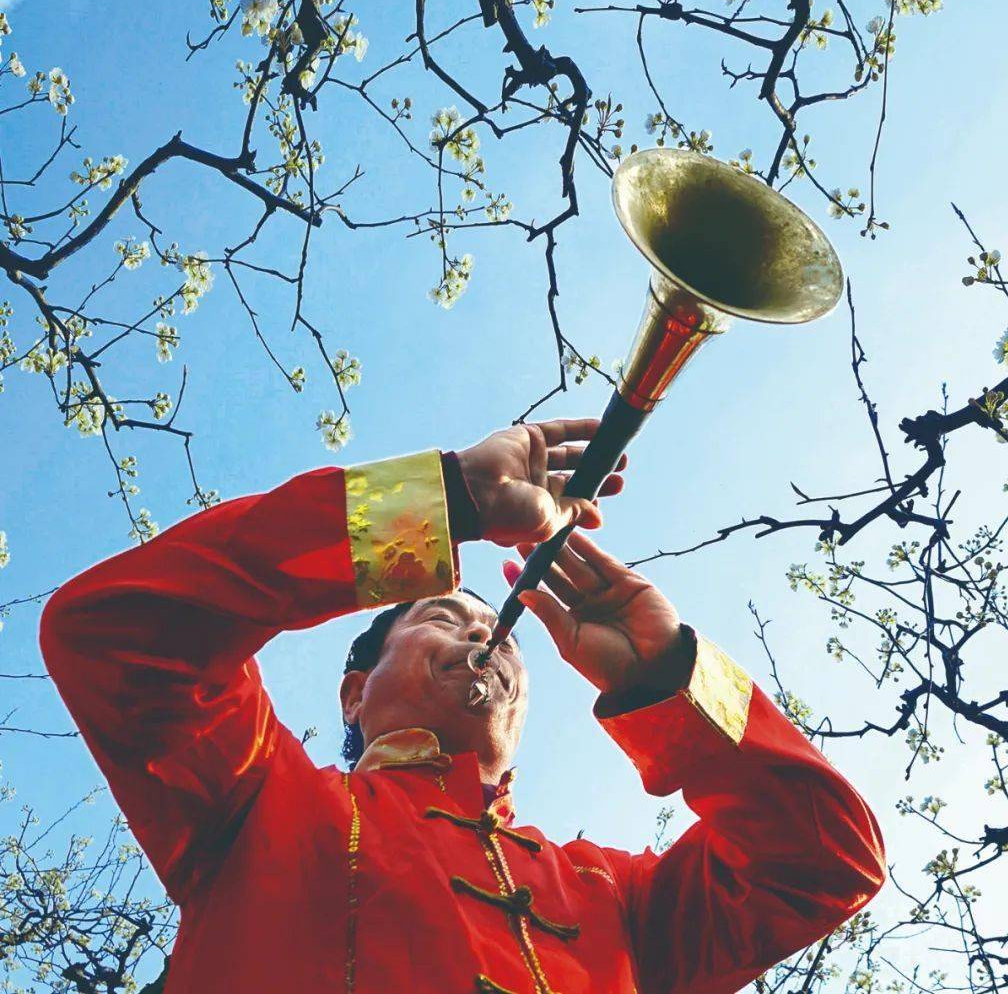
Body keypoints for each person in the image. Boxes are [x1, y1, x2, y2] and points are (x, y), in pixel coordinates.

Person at [41, 417, 886, 994]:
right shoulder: (258, 797)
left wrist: (670, 677)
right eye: (445, 611)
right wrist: (442, 503)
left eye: (502, 629)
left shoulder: (612, 894)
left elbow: (827, 860)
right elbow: (114, 632)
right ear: (354, 689)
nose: (491, 632)